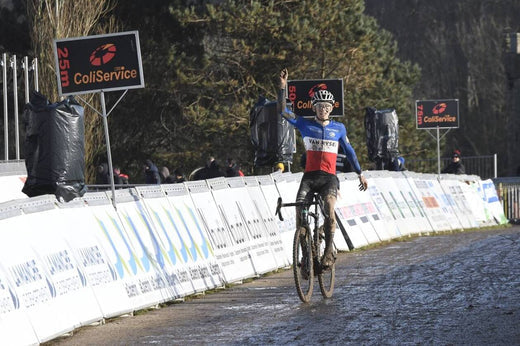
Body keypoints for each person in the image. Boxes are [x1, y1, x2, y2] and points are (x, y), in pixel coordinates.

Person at [277, 68, 368, 269]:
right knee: (300, 211)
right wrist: (283, 88)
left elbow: (350, 152)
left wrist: (360, 174)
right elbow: (283, 111)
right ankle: (305, 256)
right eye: (319, 106)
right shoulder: (304, 124)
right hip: (309, 177)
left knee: (329, 208)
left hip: (329, 178)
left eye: (326, 106)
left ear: (331, 109)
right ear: (314, 107)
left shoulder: (339, 129)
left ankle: (328, 251)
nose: (323, 109)